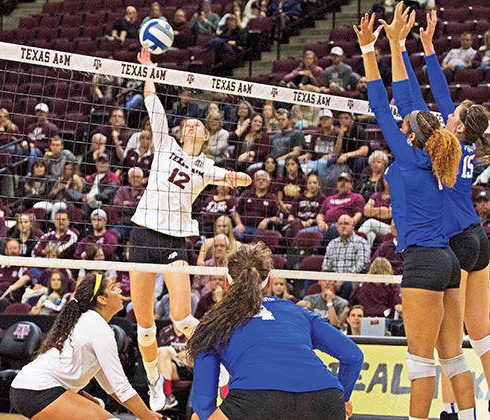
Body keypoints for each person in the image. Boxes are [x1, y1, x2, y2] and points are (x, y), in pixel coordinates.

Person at [355, 8, 475, 419]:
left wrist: (370, 49)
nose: (400, 121)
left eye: (403, 124)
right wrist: (395, 45)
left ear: (409, 135)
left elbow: (377, 99)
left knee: (421, 362)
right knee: (453, 357)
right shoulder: (438, 154)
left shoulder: (407, 157)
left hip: (423, 262)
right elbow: (407, 100)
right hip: (447, 260)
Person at [130, 48, 251, 412]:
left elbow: (237, 179)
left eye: (197, 125)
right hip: (142, 234)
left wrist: (236, 177)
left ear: (206, 136)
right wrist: (149, 70)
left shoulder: (207, 166)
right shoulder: (165, 142)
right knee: (146, 326)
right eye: (188, 124)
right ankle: (155, 384)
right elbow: (152, 102)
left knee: (182, 319)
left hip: (171, 241)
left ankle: (229, 369)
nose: (191, 125)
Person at [188, 243, 362, 420]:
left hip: (256, 399)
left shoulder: (213, 321)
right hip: (324, 398)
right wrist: (343, 400)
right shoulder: (296, 311)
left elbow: (203, 404)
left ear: (226, 282)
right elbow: (353, 356)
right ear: (269, 282)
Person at [416, 10, 490, 417]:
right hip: (478, 238)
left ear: (460, 127)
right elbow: (446, 99)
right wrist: (428, 48)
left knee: (450, 338)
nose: (448, 115)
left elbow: (442, 96)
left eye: (454, 116)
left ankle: (451, 409)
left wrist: (427, 51)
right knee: (482, 335)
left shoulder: (450, 144)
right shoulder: (469, 144)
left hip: (457, 243)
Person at [10, 273, 161, 420]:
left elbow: (112, 388)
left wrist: (146, 413)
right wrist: (147, 417)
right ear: (102, 299)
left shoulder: (88, 321)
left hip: (28, 388)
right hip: (37, 390)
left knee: (98, 405)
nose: (120, 290)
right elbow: (121, 387)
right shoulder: (98, 328)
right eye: (113, 288)